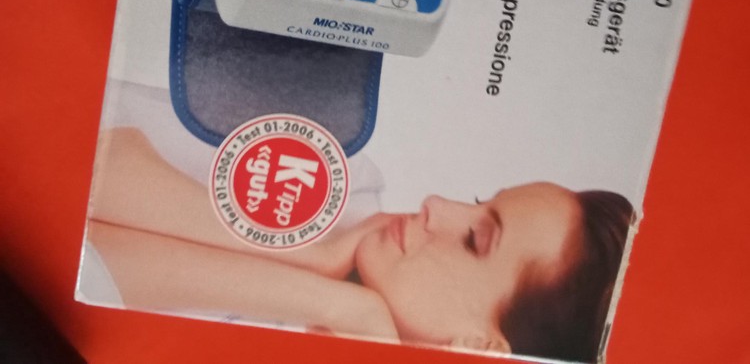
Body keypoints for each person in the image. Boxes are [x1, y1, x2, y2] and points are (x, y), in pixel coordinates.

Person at [85, 127, 633, 362]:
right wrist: (304, 252)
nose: (435, 205)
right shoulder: (343, 183)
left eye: (475, 240)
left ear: (481, 347)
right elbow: (90, 171)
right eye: (476, 201)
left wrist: (337, 307)